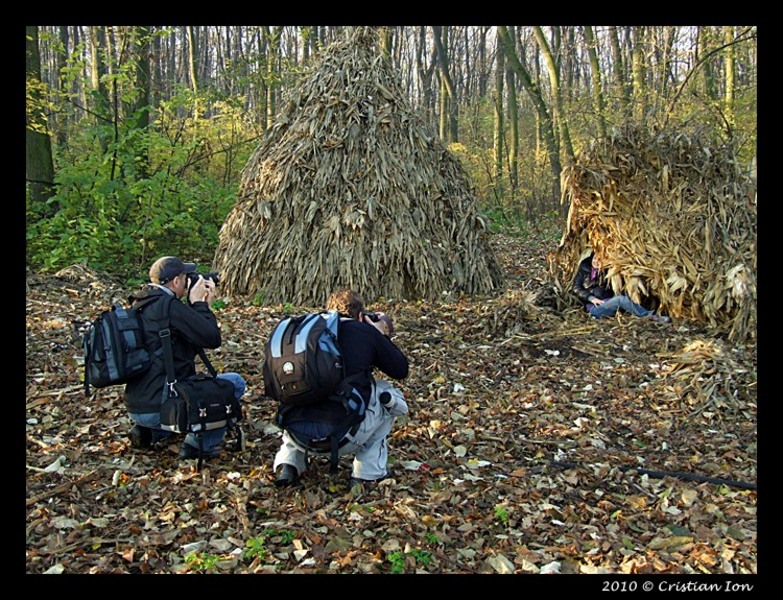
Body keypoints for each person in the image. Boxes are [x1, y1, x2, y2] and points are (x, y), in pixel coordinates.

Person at [272, 289, 409, 488]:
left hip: (296, 432)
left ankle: (288, 462)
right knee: (387, 394)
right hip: (344, 435)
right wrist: (380, 336)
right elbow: (400, 369)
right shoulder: (365, 332)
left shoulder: (305, 333)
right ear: (361, 316)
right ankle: (368, 472)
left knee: (299, 390)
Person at [124, 256, 246, 460]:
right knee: (234, 383)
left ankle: (151, 432)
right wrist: (200, 305)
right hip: (161, 405)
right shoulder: (169, 307)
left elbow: (185, 341)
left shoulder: (140, 303)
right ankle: (197, 446)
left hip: (137, 405)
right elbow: (211, 338)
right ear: (176, 282)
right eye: (185, 277)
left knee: (188, 386)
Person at [572, 252, 671, 323]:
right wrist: (591, 298)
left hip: (610, 303)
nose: (596, 261)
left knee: (625, 296)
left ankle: (644, 311)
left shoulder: (608, 272)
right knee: (620, 300)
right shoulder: (584, 268)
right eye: (594, 258)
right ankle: (650, 317)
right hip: (595, 308)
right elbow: (576, 288)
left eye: (600, 259)